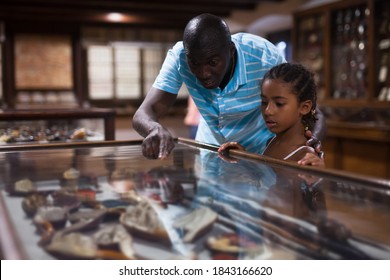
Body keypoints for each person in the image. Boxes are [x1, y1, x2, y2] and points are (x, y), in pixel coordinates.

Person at [132, 13, 326, 160]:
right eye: (195, 63)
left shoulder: (263, 56)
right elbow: (144, 113)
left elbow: (310, 109)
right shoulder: (180, 57)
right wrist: (153, 129)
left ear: (230, 51)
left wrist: (312, 140)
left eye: (212, 62)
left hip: (262, 153)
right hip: (211, 149)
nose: (203, 73)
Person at [218, 62, 324, 167]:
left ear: (304, 107)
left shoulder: (305, 156)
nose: (268, 111)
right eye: (264, 102)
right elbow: (264, 178)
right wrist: (243, 157)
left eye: (279, 104)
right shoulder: (271, 141)